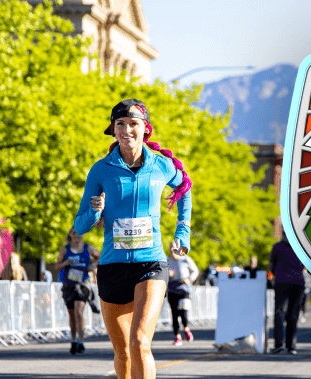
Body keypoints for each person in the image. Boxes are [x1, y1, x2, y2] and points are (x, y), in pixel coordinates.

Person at [74, 99, 192, 379]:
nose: (127, 130)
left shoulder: (161, 166)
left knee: (140, 341)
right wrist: (94, 209)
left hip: (150, 262)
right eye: (120, 124)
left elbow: (185, 188)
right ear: (113, 130)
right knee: (123, 352)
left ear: (145, 129)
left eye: (133, 124)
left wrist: (182, 231)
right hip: (112, 266)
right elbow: (80, 226)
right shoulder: (100, 170)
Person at [56, 227, 101, 355]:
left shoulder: (88, 248)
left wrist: (92, 265)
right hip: (69, 284)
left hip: (83, 283)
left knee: (79, 311)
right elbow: (57, 266)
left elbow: (99, 257)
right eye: (74, 233)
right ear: (70, 235)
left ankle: (81, 340)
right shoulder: (65, 249)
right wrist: (66, 263)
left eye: (79, 233)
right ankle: (74, 339)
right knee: (72, 314)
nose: (77, 236)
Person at [269, 232, 305, 354]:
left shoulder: (278, 247)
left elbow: (271, 265)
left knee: (279, 312)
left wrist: (278, 274)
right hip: (298, 282)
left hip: (282, 281)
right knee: (293, 313)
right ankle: (291, 346)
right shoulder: (300, 246)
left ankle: (279, 344)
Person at [166, 244, 199, 346]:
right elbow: (161, 274)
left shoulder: (185, 259)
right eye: (170, 250)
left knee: (183, 310)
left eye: (174, 249)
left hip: (184, 289)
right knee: (174, 314)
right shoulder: (166, 261)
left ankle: (186, 328)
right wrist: (167, 274)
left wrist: (189, 279)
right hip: (172, 289)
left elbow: (195, 271)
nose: (172, 252)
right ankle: (177, 337)